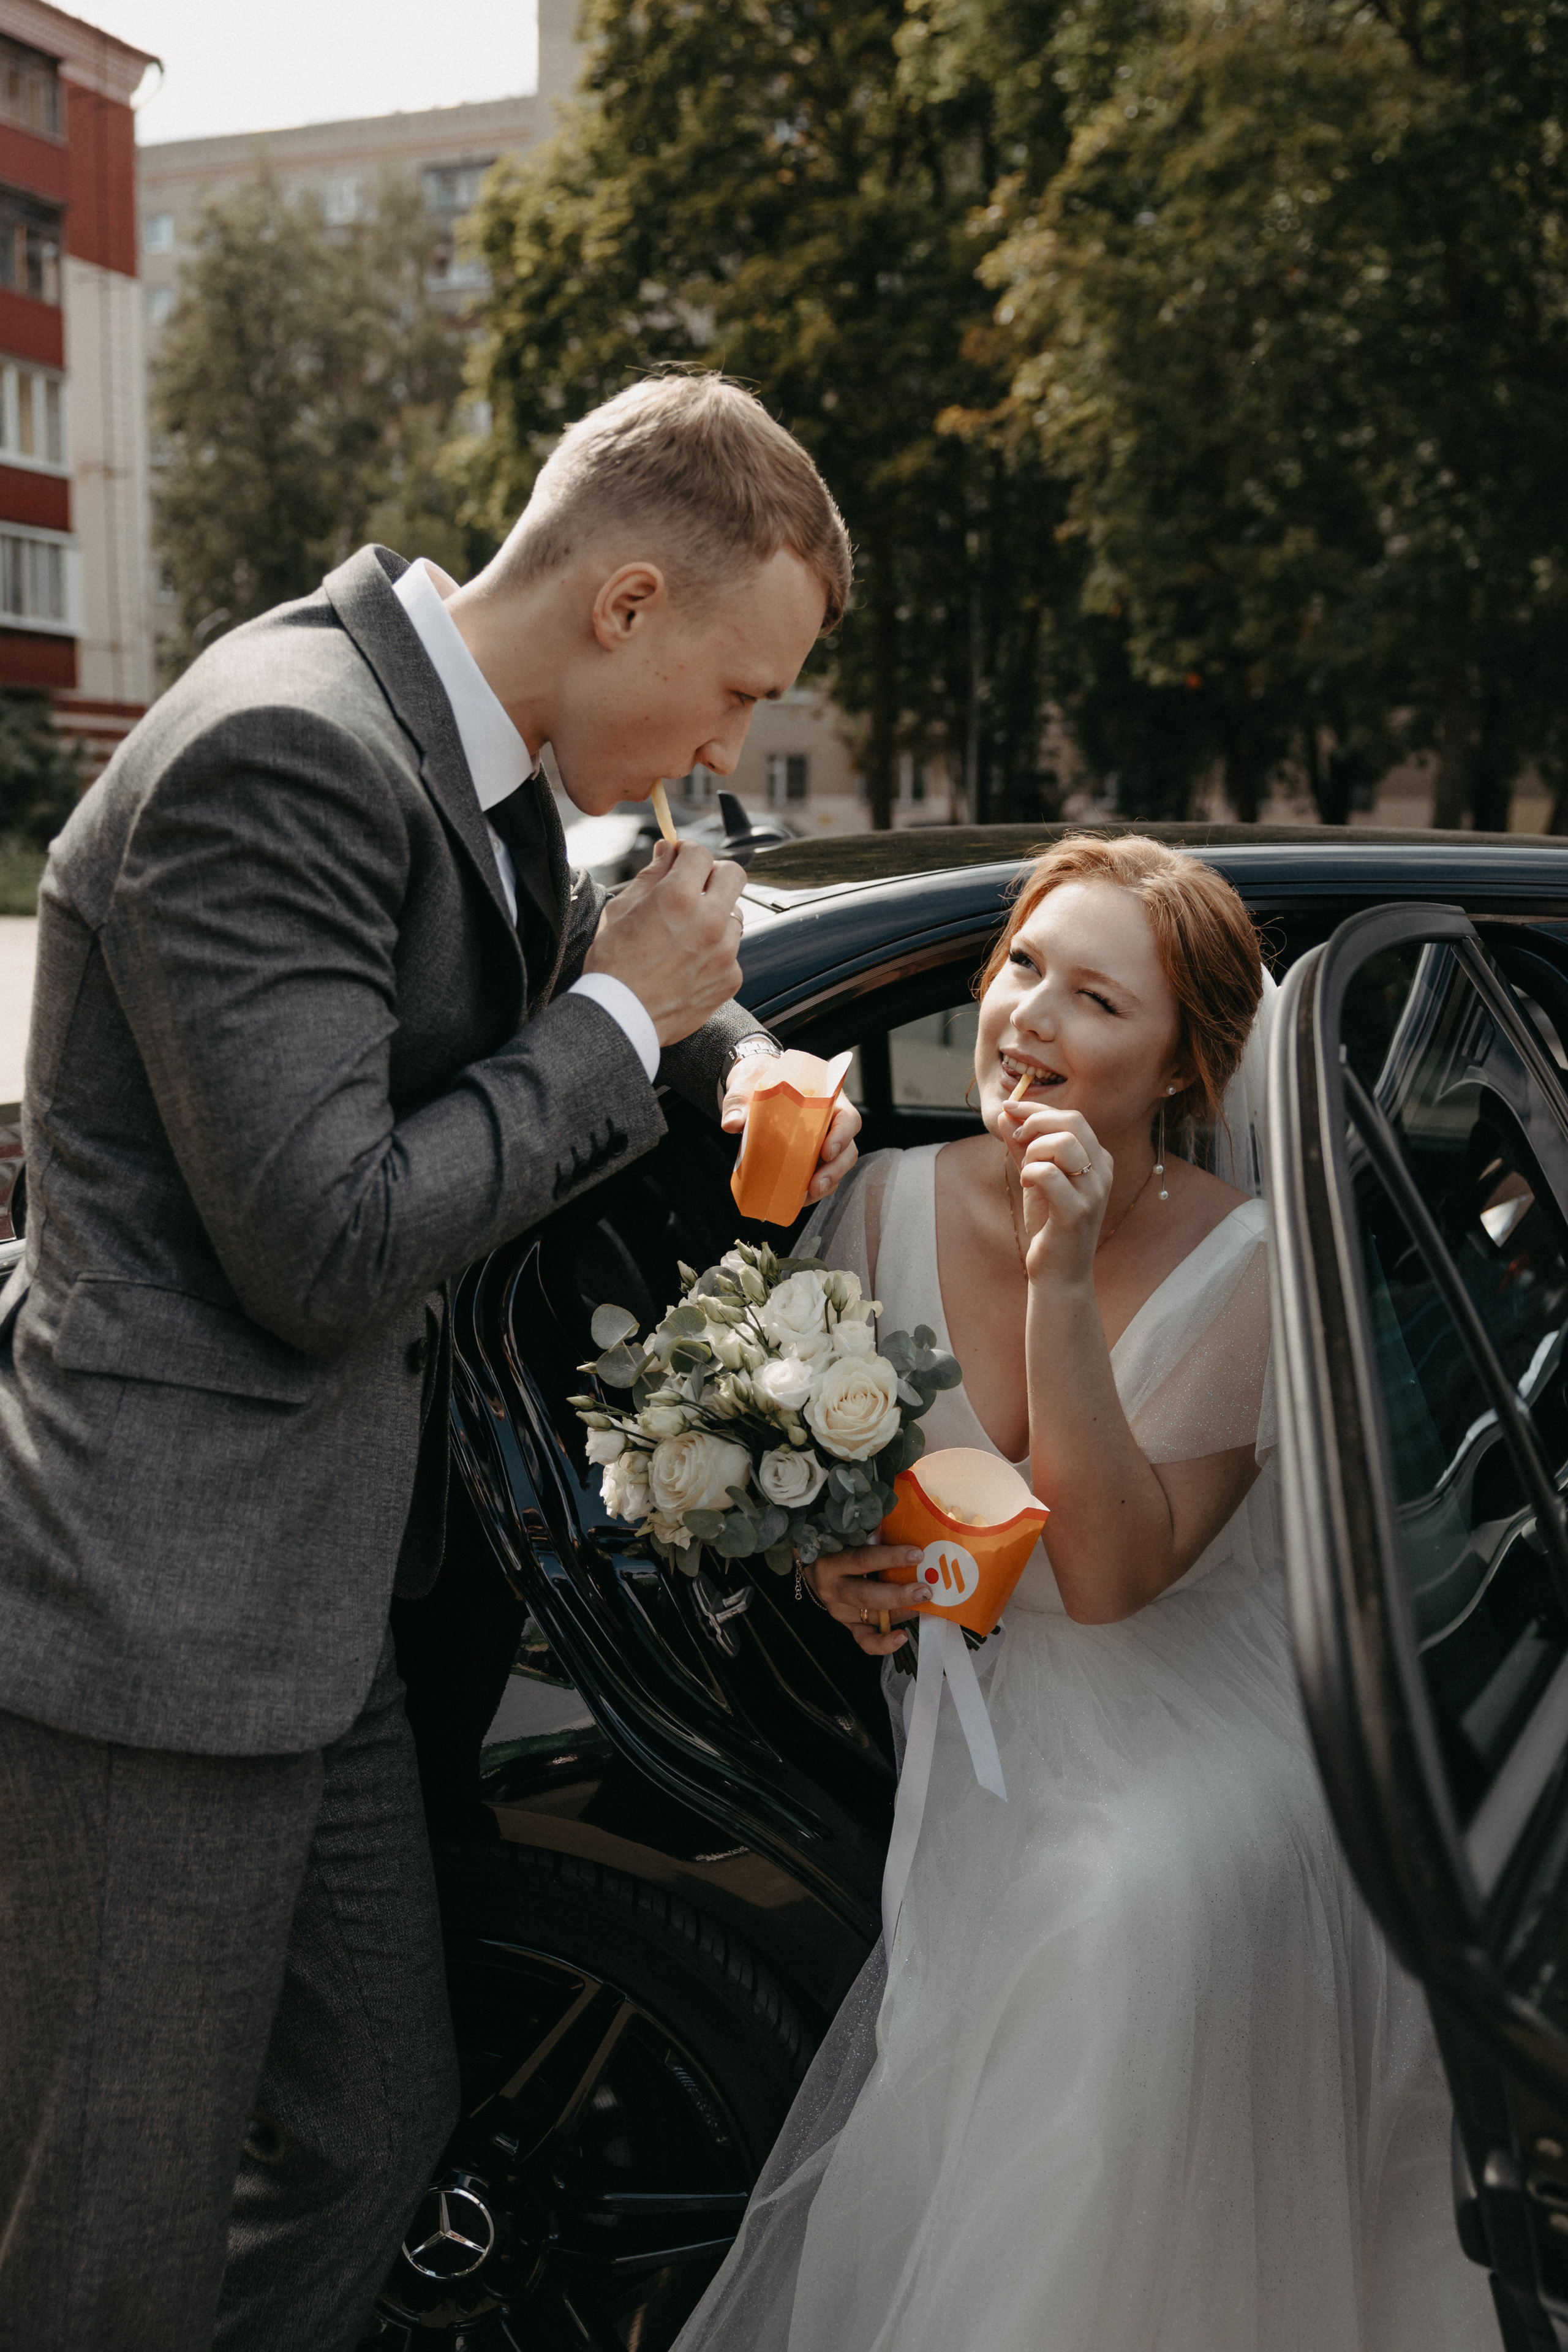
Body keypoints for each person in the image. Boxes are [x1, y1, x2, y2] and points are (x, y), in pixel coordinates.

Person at [0, 373, 861, 2352]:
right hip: (156, 1630)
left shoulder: (469, 752)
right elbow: (327, 1246)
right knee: (105, 2243)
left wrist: (734, 1060)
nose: (728, 752)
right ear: (626, 603)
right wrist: (626, 1024)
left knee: (376, 2135)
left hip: (315, 1625)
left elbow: (533, 978)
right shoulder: (282, 750)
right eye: (737, 692)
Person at [676, 835, 1494, 2352]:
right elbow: (825, 1487)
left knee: (1122, 1899)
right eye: (1021, 969)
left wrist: (1061, 1280)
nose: (1031, 1018)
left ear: (1180, 1063)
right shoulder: (879, 1201)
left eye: (1097, 1000)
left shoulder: (1248, 1258)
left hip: (1191, 1715)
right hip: (986, 1710)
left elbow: (1110, 1578)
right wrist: (838, 1570)